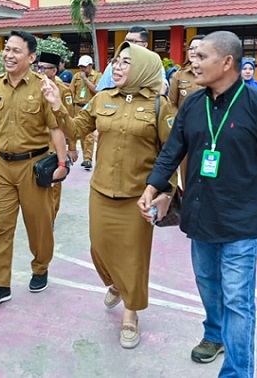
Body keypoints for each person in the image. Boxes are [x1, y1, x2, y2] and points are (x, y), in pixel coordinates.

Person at [139, 31, 257, 378]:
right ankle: (215, 334)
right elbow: (173, 151)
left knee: (237, 300)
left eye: (201, 57)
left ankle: (237, 372)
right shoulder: (194, 104)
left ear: (227, 62)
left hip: (241, 220)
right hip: (201, 215)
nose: (193, 63)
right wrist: (153, 187)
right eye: (193, 56)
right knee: (208, 285)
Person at [44, 42, 176, 349]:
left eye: (126, 62)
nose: (117, 67)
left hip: (138, 194)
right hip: (101, 189)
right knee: (99, 248)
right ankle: (116, 283)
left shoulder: (159, 104)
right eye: (116, 61)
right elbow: (76, 130)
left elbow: (171, 152)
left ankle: (131, 314)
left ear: (142, 67)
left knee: (134, 255)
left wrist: (163, 191)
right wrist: (56, 105)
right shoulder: (102, 98)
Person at [0, 30, 68, 306]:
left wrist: (62, 164)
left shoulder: (44, 87)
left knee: (38, 226)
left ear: (31, 56)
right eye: (7, 50)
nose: (8, 55)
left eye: (16, 51)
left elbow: (56, 129)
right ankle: (0, 284)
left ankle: (40, 267)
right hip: (2, 166)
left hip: (33, 166)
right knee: (2, 227)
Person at [36, 52, 76, 220]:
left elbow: (70, 121)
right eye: (38, 67)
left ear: (54, 70)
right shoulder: (34, 87)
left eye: (44, 68)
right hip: (36, 142)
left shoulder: (63, 91)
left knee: (53, 184)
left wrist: (72, 148)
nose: (40, 71)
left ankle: (50, 217)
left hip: (55, 145)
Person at [96, 27, 168, 93]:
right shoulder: (114, 65)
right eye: (126, 40)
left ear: (145, 45)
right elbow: (101, 90)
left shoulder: (152, 65)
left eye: (133, 41)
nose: (128, 44)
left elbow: (161, 90)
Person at [70, 55, 100, 170]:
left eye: (84, 67)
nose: (82, 69)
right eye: (80, 67)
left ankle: (88, 159)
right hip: (78, 107)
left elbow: (97, 90)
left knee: (89, 134)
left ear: (90, 66)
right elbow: (71, 91)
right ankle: (85, 157)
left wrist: (86, 79)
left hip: (90, 107)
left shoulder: (97, 76)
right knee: (79, 132)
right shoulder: (76, 77)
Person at [168, 35, 205, 109]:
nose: (193, 51)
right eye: (190, 48)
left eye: (197, 48)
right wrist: (179, 119)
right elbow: (171, 104)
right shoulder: (179, 75)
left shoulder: (215, 75)